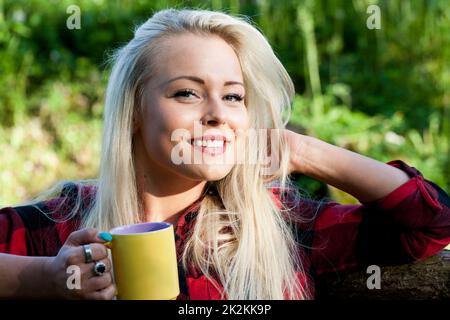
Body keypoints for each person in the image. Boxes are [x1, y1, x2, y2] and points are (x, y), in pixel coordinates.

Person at [0, 8, 449, 300]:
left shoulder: (280, 225)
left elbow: (431, 223)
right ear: (134, 111)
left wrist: (300, 148)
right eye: (187, 93)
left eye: (234, 97)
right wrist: (51, 278)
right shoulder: (68, 223)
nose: (218, 115)